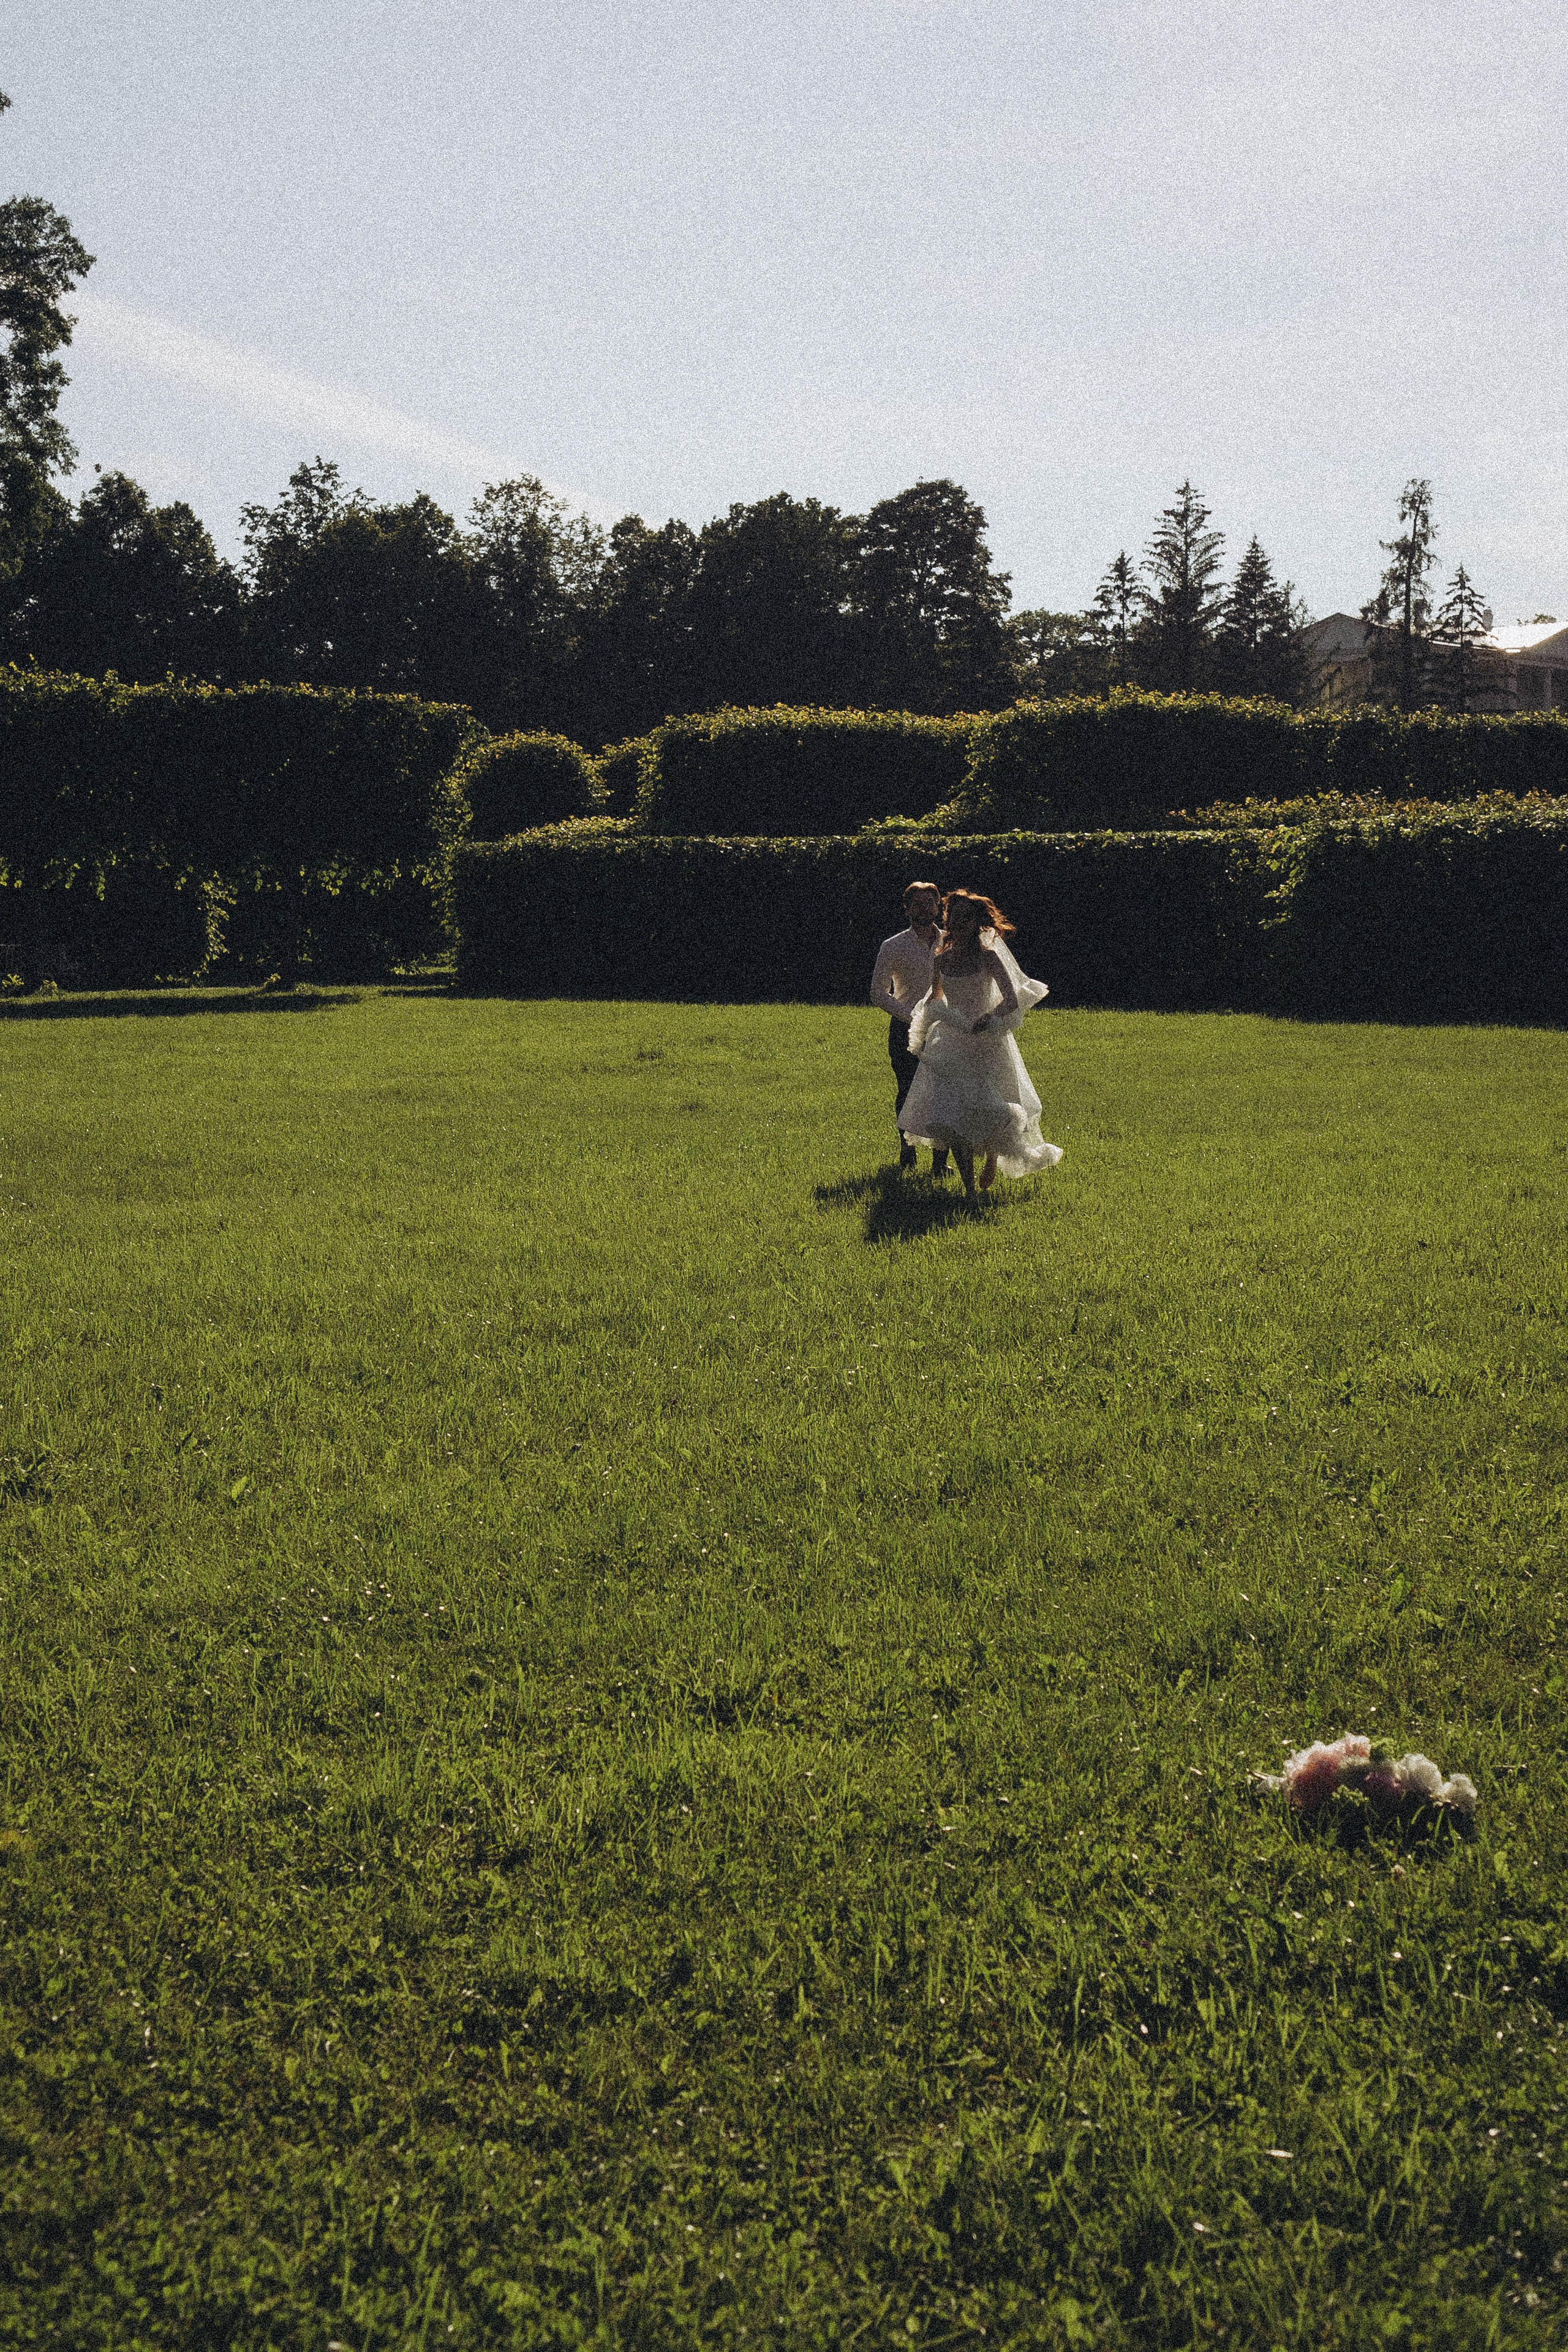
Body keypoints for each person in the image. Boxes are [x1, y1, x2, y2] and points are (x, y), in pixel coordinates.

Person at [899, 888, 1063, 1202]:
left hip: (987, 1037)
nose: (959, 921)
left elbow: (1011, 999)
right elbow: (936, 996)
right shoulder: (941, 959)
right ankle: (970, 1189)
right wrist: (924, 1019)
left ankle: (991, 1157)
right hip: (952, 1040)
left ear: (976, 921)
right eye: (954, 915)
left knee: (991, 1105)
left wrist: (989, 1017)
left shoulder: (988, 956)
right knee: (954, 1113)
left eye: (966, 916)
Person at [869, 880, 950, 1175]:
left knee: (945, 1095)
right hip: (905, 1029)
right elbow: (877, 993)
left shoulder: (952, 941)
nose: (924, 908)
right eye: (917, 903)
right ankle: (908, 1153)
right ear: (907, 909)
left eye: (930, 903)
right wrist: (911, 1017)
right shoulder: (893, 946)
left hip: (945, 1029)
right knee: (907, 1090)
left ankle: (941, 1164)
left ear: (938, 906)